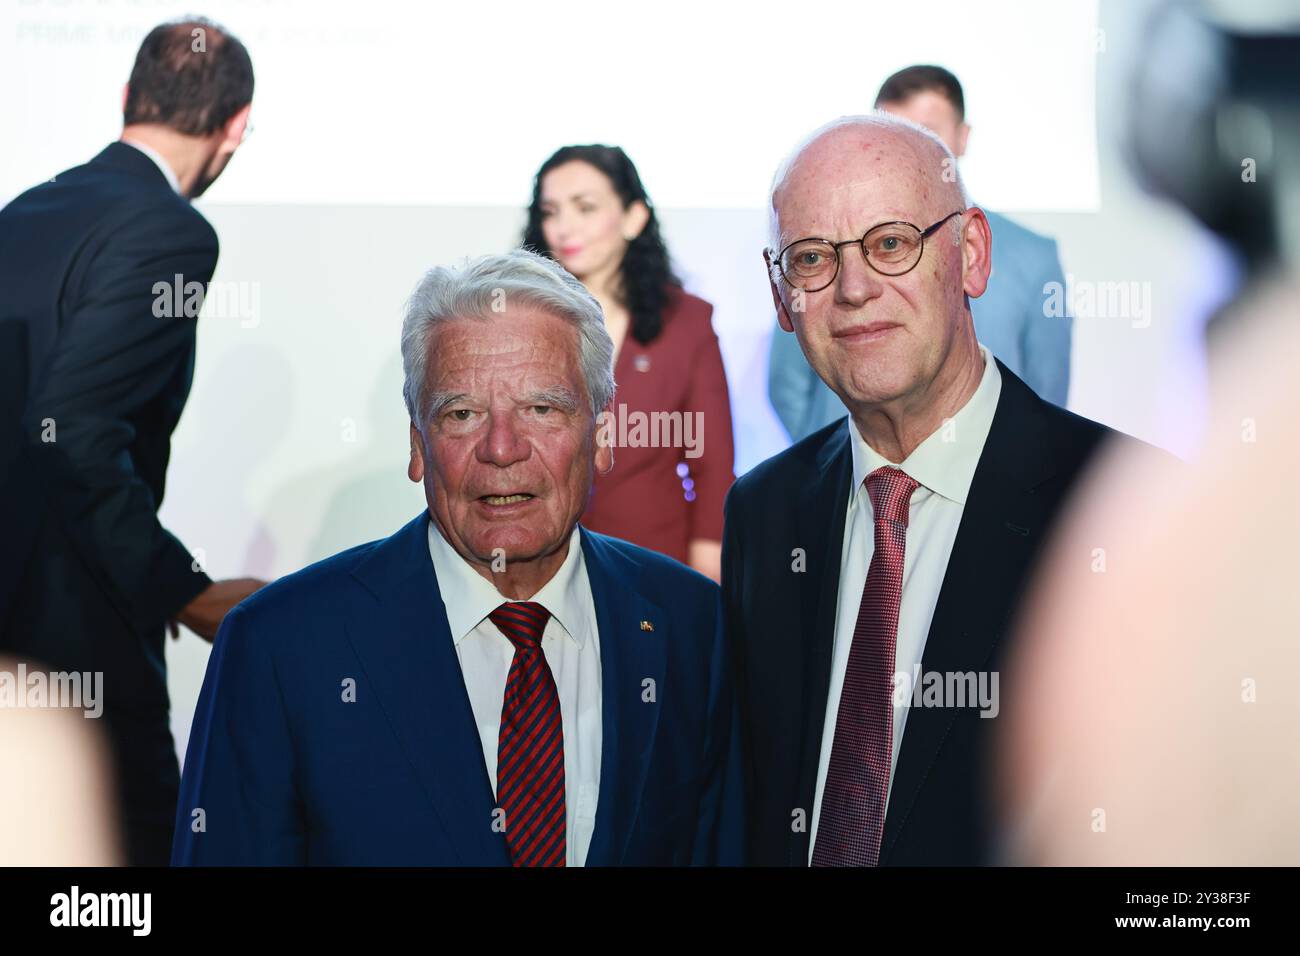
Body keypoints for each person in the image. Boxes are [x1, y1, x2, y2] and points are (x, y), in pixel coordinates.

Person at [172, 251, 742, 866]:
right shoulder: (279, 646)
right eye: (462, 414)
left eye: (542, 409)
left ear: (601, 438)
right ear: (418, 446)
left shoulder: (693, 626)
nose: (502, 448)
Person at [724, 114, 1140, 866]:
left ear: (972, 255)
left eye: (891, 243)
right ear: (782, 296)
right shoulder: (763, 513)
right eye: (813, 257)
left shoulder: (1122, 512)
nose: (854, 288)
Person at [0, 17, 265, 866]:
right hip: (77, 635)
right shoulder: (173, 234)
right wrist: (183, 590)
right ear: (237, 127)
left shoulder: (24, 212)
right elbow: (72, 432)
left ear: (126, 99)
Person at [768, 65, 1072, 442]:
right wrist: (830, 466)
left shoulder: (1032, 257)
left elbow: (1046, 397)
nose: (855, 288)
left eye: (893, 244)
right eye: (889, 131)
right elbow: (788, 382)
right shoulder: (811, 251)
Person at [523, 145, 734, 581]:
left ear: (634, 217)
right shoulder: (519, 320)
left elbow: (712, 466)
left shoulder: (688, 321)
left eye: (585, 207)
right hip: (540, 567)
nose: (564, 227)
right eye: (551, 211)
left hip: (656, 566)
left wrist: (706, 581)